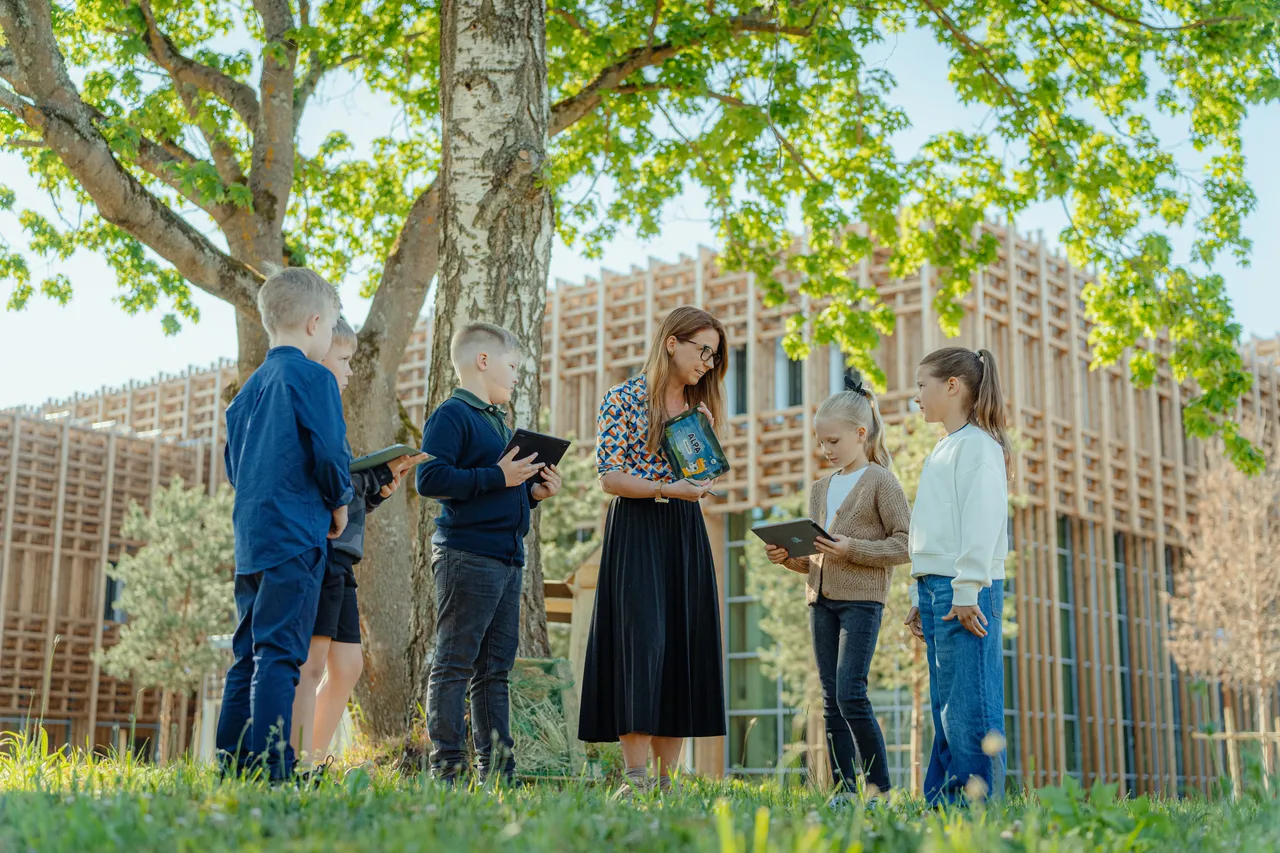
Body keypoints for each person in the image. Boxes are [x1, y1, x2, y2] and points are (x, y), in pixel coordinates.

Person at [578, 305, 728, 799]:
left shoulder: (695, 410)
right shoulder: (621, 400)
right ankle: (635, 780)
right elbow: (610, 476)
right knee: (641, 645)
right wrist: (668, 490)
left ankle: (667, 784)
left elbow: (702, 479)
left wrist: (704, 452)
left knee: (682, 645)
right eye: (703, 350)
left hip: (685, 532)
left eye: (714, 356)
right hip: (638, 529)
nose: (707, 362)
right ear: (672, 342)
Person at [214, 267, 353, 782]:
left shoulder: (246, 391)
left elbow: (235, 468)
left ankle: (231, 766)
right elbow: (330, 450)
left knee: (246, 653)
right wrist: (339, 503)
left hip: (252, 538)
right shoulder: (314, 377)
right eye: (332, 324)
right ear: (316, 323)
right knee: (281, 654)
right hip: (296, 534)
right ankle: (274, 767)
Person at [416, 322, 563, 785]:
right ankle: (448, 767)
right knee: (455, 662)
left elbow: (499, 486)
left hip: (507, 558)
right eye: (513, 366)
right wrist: (498, 476)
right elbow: (430, 479)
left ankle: (498, 772)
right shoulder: (452, 415)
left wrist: (533, 494)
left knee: (494, 671)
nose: (517, 376)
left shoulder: (498, 421)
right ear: (483, 361)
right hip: (467, 556)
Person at [764, 371, 910, 805]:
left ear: (860, 434)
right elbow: (816, 557)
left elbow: (905, 544)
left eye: (832, 442)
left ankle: (880, 792)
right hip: (820, 601)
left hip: (862, 602)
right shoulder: (819, 489)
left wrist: (851, 548)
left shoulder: (882, 481)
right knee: (830, 700)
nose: (824, 450)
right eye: (821, 442)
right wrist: (787, 558)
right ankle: (845, 792)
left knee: (851, 693)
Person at [290, 317, 427, 773]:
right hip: (319, 558)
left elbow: (345, 500)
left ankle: (311, 758)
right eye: (344, 361)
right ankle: (296, 765)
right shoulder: (308, 407)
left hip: (343, 560)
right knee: (310, 665)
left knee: (346, 666)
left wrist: (381, 488)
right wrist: (365, 478)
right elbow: (326, 485)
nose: (349, 372)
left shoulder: (333, 415)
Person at [904, 346, 1011, 804]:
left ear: (952, 386)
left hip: (964, 589)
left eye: (921, 386)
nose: (916, 397)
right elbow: (933, 529)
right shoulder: (945, 447)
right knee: (946, 708)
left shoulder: (978, 447)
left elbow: (982, 521)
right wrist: (917, 591)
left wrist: (966, 589)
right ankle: (945, 808)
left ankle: (978, 810)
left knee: (970, 708)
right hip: (938, 587)